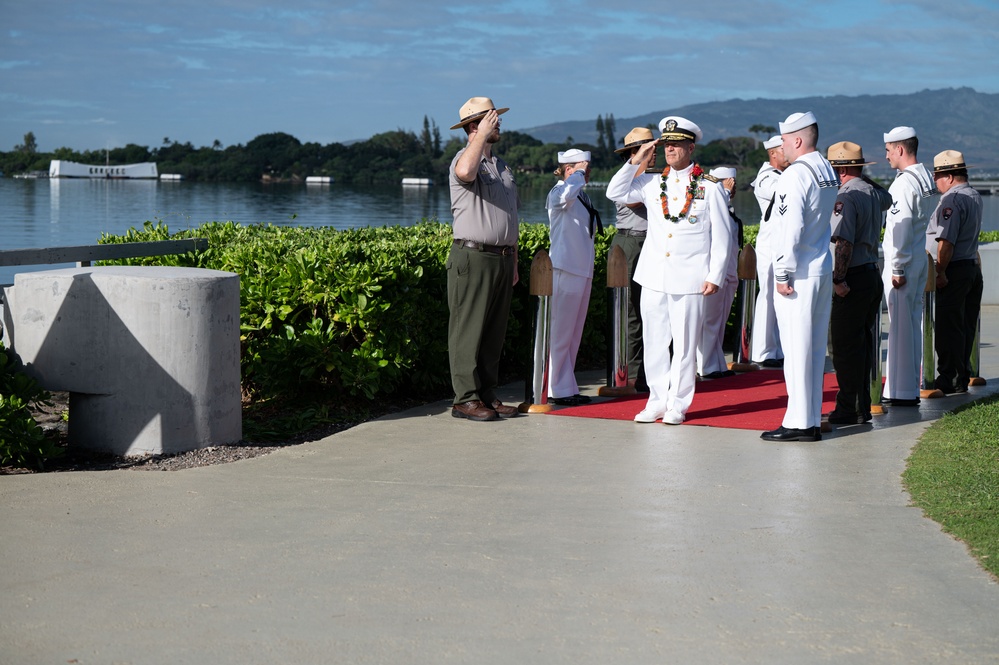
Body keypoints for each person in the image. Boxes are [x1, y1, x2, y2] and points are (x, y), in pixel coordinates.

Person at [606, 116, 732, 425]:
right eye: (665, 145)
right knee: (655, 342)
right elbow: (614, 191)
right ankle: (656, 400)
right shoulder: (650, 183)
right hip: (653, 275)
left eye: (676, 145)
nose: (670, 150)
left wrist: (715, 275)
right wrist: (637, 159)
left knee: (685, 346)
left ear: (690, 147)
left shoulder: (709, 188)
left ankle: (678, 403)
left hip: (690, 279)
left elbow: (723, 237)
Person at [761, 111, 839, 442]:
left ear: (796, 139)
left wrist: (781, 272)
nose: (781, 146)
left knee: (796, 351)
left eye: (783, 140)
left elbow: (790, 230)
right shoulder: (827, 169)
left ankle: (799, 423)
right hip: (820, 266)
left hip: (799, 273)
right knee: (812, 349)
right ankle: (806, 417)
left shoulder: (795, 176)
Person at [446, 97, 520, 422]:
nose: (498, 122)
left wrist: (514, 261)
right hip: (473, 255)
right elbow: (465, 171)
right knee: (468, 330)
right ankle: (465, 399)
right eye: (491, 118)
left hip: (503, 258)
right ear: (474, 126)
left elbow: (511, 217)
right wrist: (477, 138)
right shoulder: (464, 159)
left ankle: (487, 394)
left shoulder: (502, 165)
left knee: (493, 332)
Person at [825, 141, 892, 425]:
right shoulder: (871, 192)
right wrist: (861, 172)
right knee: (862, 346)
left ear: (839, 170)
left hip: (851, 277)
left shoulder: (846, 196)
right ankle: (860, 406)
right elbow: (888, 197)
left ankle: (849, 408)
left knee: (844, 348)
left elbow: (842, 242)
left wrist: (838, 279)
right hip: (870, 273)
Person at [881, 126, 937, 407]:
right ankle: (908, 388)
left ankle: (900, 391)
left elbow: (899, 229)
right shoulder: (925, 176)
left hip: (903, 263)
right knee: (912, 326)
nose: (887, 155)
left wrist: (897, 269)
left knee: (901, 328)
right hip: (918, 258)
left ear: (900, 149)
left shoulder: (903, 183)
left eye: (890, 150)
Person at [926, 149, 984, 395]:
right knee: (964, 326)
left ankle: (950, 377)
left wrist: (939, 271)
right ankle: (962, 374)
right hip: (970, 267)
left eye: (937, 176)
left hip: (954, 269)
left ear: (949, 177)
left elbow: (946, 242)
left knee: (949, 328)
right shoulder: (974, 195)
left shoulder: (951, 200)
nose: (936, 182)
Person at [546, 148, 599, 405]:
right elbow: (565, 194)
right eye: (582, 170)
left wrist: (578, 175)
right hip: (565, 269)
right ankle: (555, 388)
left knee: (573, 333)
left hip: (581, 270)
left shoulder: (582, 197)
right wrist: (576, 174)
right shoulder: (559, 192)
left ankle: (566, 385)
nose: (586, 175)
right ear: (568, 169)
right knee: (560, 333)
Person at [610, 128, 657, 392]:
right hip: (630, 242)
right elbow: (633, 202)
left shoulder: (653, 178)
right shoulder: (627, 181)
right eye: (648, 149)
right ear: (634, 153)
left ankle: (645, 375)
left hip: (650, 242)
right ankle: (631, 373)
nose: (654, 154)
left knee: (649, 310)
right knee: (630, 313)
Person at [697, 166, 741, 379]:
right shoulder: (713, 202)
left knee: (720, 320)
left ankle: (717, 363)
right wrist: (721, 191)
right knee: (710, 320)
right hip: (715, 273)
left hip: (729, 272)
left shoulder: (727, 207)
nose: (732, 188)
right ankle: (705, 365)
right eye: (728, 183)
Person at [750, 136, 789, 367]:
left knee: (779, 297)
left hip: (781, 244)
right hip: (770, 245)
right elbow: (785, 195)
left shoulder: (784, 175)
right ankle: (764, 351)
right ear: (773, 153)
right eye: (784, 151)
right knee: (767, 295)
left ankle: (776, 348)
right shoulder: (766, 177)